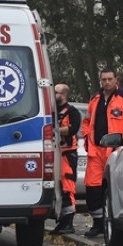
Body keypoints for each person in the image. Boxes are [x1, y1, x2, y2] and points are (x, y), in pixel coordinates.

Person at [81, 68, 123, 238]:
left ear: (116, 79)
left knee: (114, 187)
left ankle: (114, 223)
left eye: (109, 79)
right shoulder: (95, 99)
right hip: (95, 150)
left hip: (115, 151)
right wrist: (86, 136)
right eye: (103, 79)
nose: (106, 82)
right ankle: (98, 222)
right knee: (92, 187)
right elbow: (86, 121)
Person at [51, 83, 81, 235]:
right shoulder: (53, 111)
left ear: (63, 95)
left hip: (68, 154)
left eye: (55, 92)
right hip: (55, 153)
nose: (52, 94)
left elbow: (72, 129)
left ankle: (68, 223)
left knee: (68, 187)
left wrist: (53, 130)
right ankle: (61, 222)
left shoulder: (72, 111)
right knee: (58, 188)